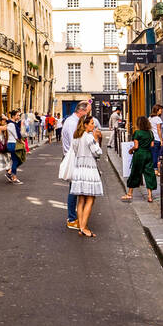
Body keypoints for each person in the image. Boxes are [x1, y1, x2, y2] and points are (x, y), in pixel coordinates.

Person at [61, 98, 97, 229]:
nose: (88, 115)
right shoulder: (72, 123)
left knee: (76, 189)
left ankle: (76, 217)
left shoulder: (74, 121)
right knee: (73, 190)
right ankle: (72, 218)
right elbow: (74, 144)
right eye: (88, 112)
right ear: (82, 111)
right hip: (73, 159)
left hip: (76, 158)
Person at [69, 111, 104, 237]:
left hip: (79, 169)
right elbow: (98, 153)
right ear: (85, 124)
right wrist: (96, 139)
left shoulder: (76, 137)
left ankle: (81, 225)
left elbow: (74, 150)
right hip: (89, 170)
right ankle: (83, 227)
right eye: (92, 123)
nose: (93, 126)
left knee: (81, 199)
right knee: (90, 199)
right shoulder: (89, 137)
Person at [122, 115, 156, 203]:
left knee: (135, 173)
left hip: (139, 155)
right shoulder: (150, 133)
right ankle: (149, 196)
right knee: (149, 174)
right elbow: (152, 145)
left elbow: (136, 146)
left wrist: (130, 150)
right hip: (148, 154)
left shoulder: (137, 133)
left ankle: (129, 194)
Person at [6, 111, 23, 182]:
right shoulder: (11, 124)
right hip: (13, 144)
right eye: (17, 115)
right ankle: (13, 176)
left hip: (12, 143)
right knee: (16, 160)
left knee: (17, 160)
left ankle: (10, 173)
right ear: (13, 116)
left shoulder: (13, 123)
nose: (18, 117)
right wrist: (21, 141)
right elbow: (15, 135)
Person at [149, 103, 163, 175]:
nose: (161, 111)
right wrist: (161, 140)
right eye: (160, 110)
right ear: (157, 110)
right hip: (157, 139)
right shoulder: (158, 119)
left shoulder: (150, 118)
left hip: (152, 139)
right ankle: (155, 170)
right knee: (157, 155)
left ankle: (154, 169)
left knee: (153, 154)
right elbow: (159, 130)